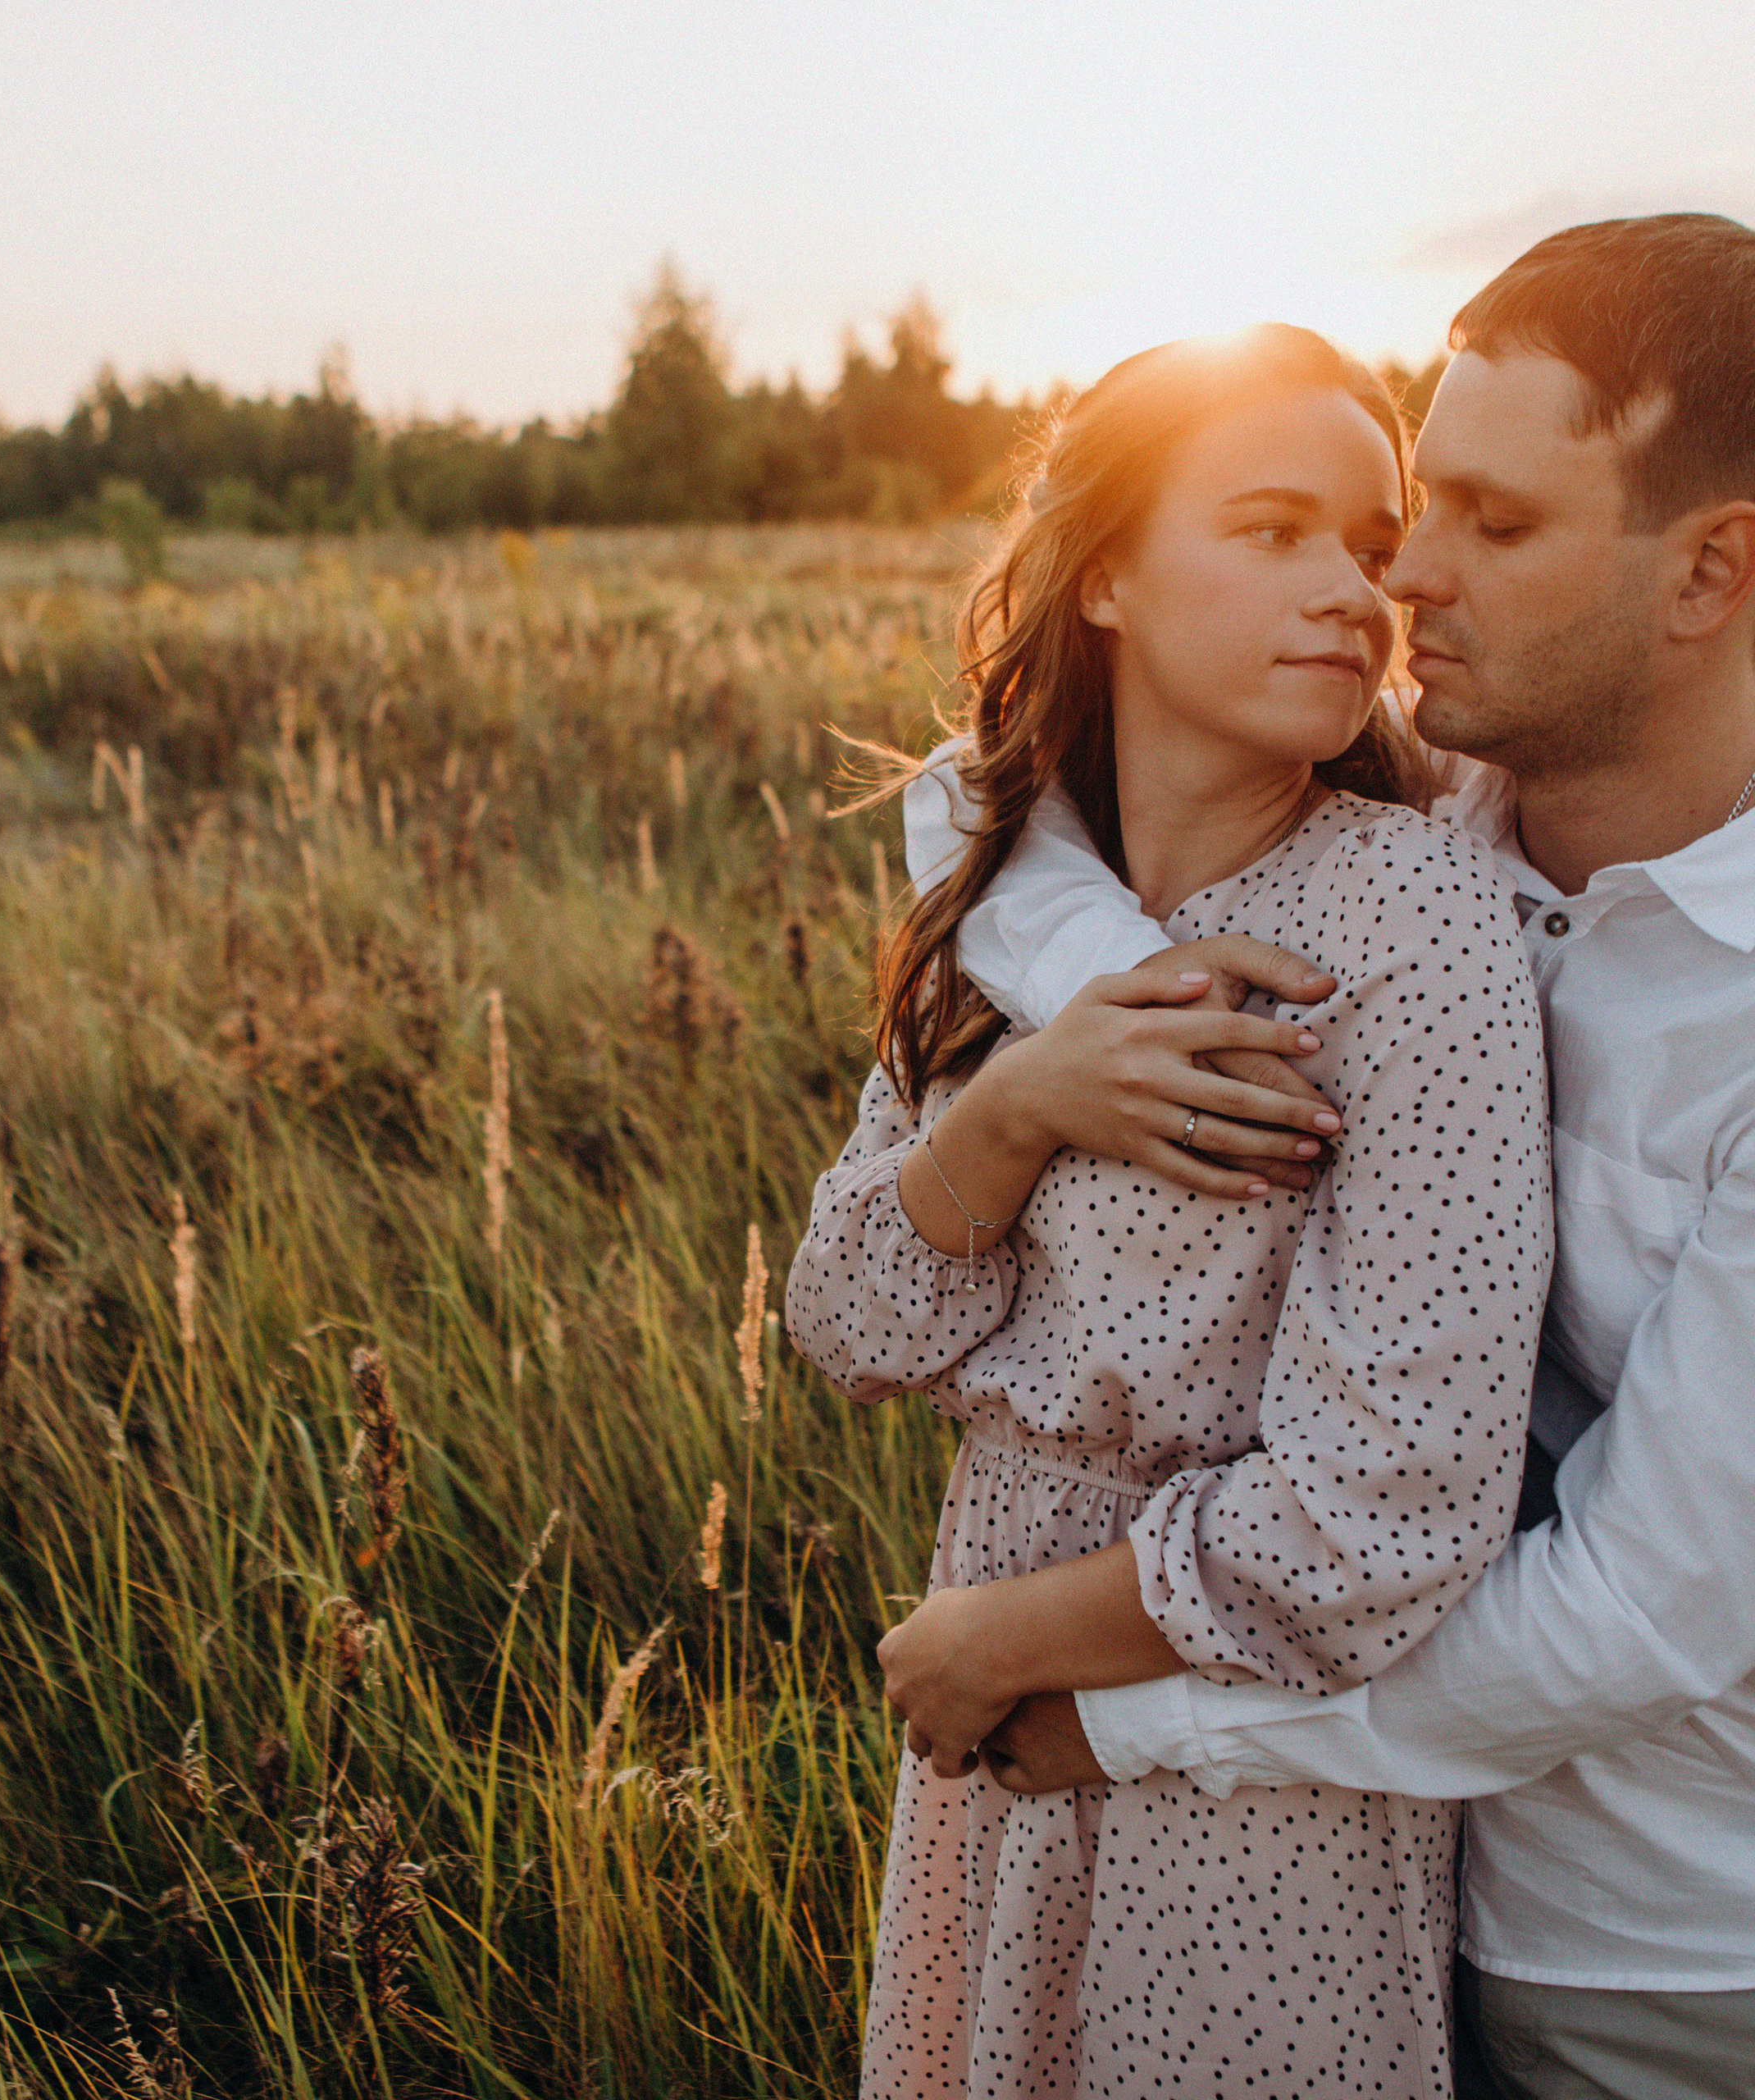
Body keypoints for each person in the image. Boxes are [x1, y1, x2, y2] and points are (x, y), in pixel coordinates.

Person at [892, 214, 1755, 2100]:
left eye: (1490, 526)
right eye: (1402, 515)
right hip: (1394, 1878)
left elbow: (1640, 1606)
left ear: (1712, 569)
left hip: (1677, 1945)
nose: (1401, 585)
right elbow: (983, 788)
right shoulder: (1460, 799)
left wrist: (1132, 1716)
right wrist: (1108, 1022)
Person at [784, 322, 1554, 2099]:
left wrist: (1000, 1639)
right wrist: (1020, 1106)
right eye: (1271, 529)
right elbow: (852, 1321)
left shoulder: (1411, 930)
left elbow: (1387, 1515)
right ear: (1109, 570)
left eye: (1370, 547)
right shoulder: (1002, 909)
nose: (1348, 594)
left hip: (1239, 1757)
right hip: (982, 1759)